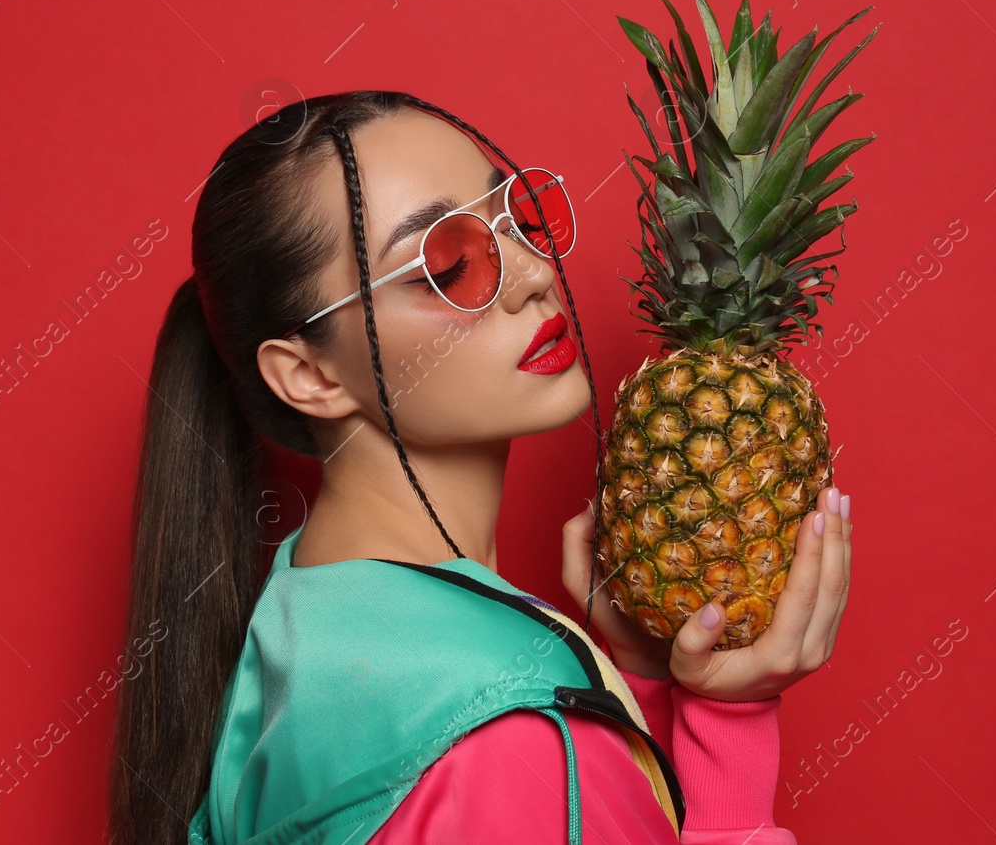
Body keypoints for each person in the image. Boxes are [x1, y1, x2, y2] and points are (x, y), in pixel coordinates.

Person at [106, 91, 852, 845]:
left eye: (516, 216)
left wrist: (642, 684)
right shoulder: (506, 741)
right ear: (311, 376)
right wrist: (735, 732)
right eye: (451, 263)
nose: (532, 272)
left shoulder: (303, 618)